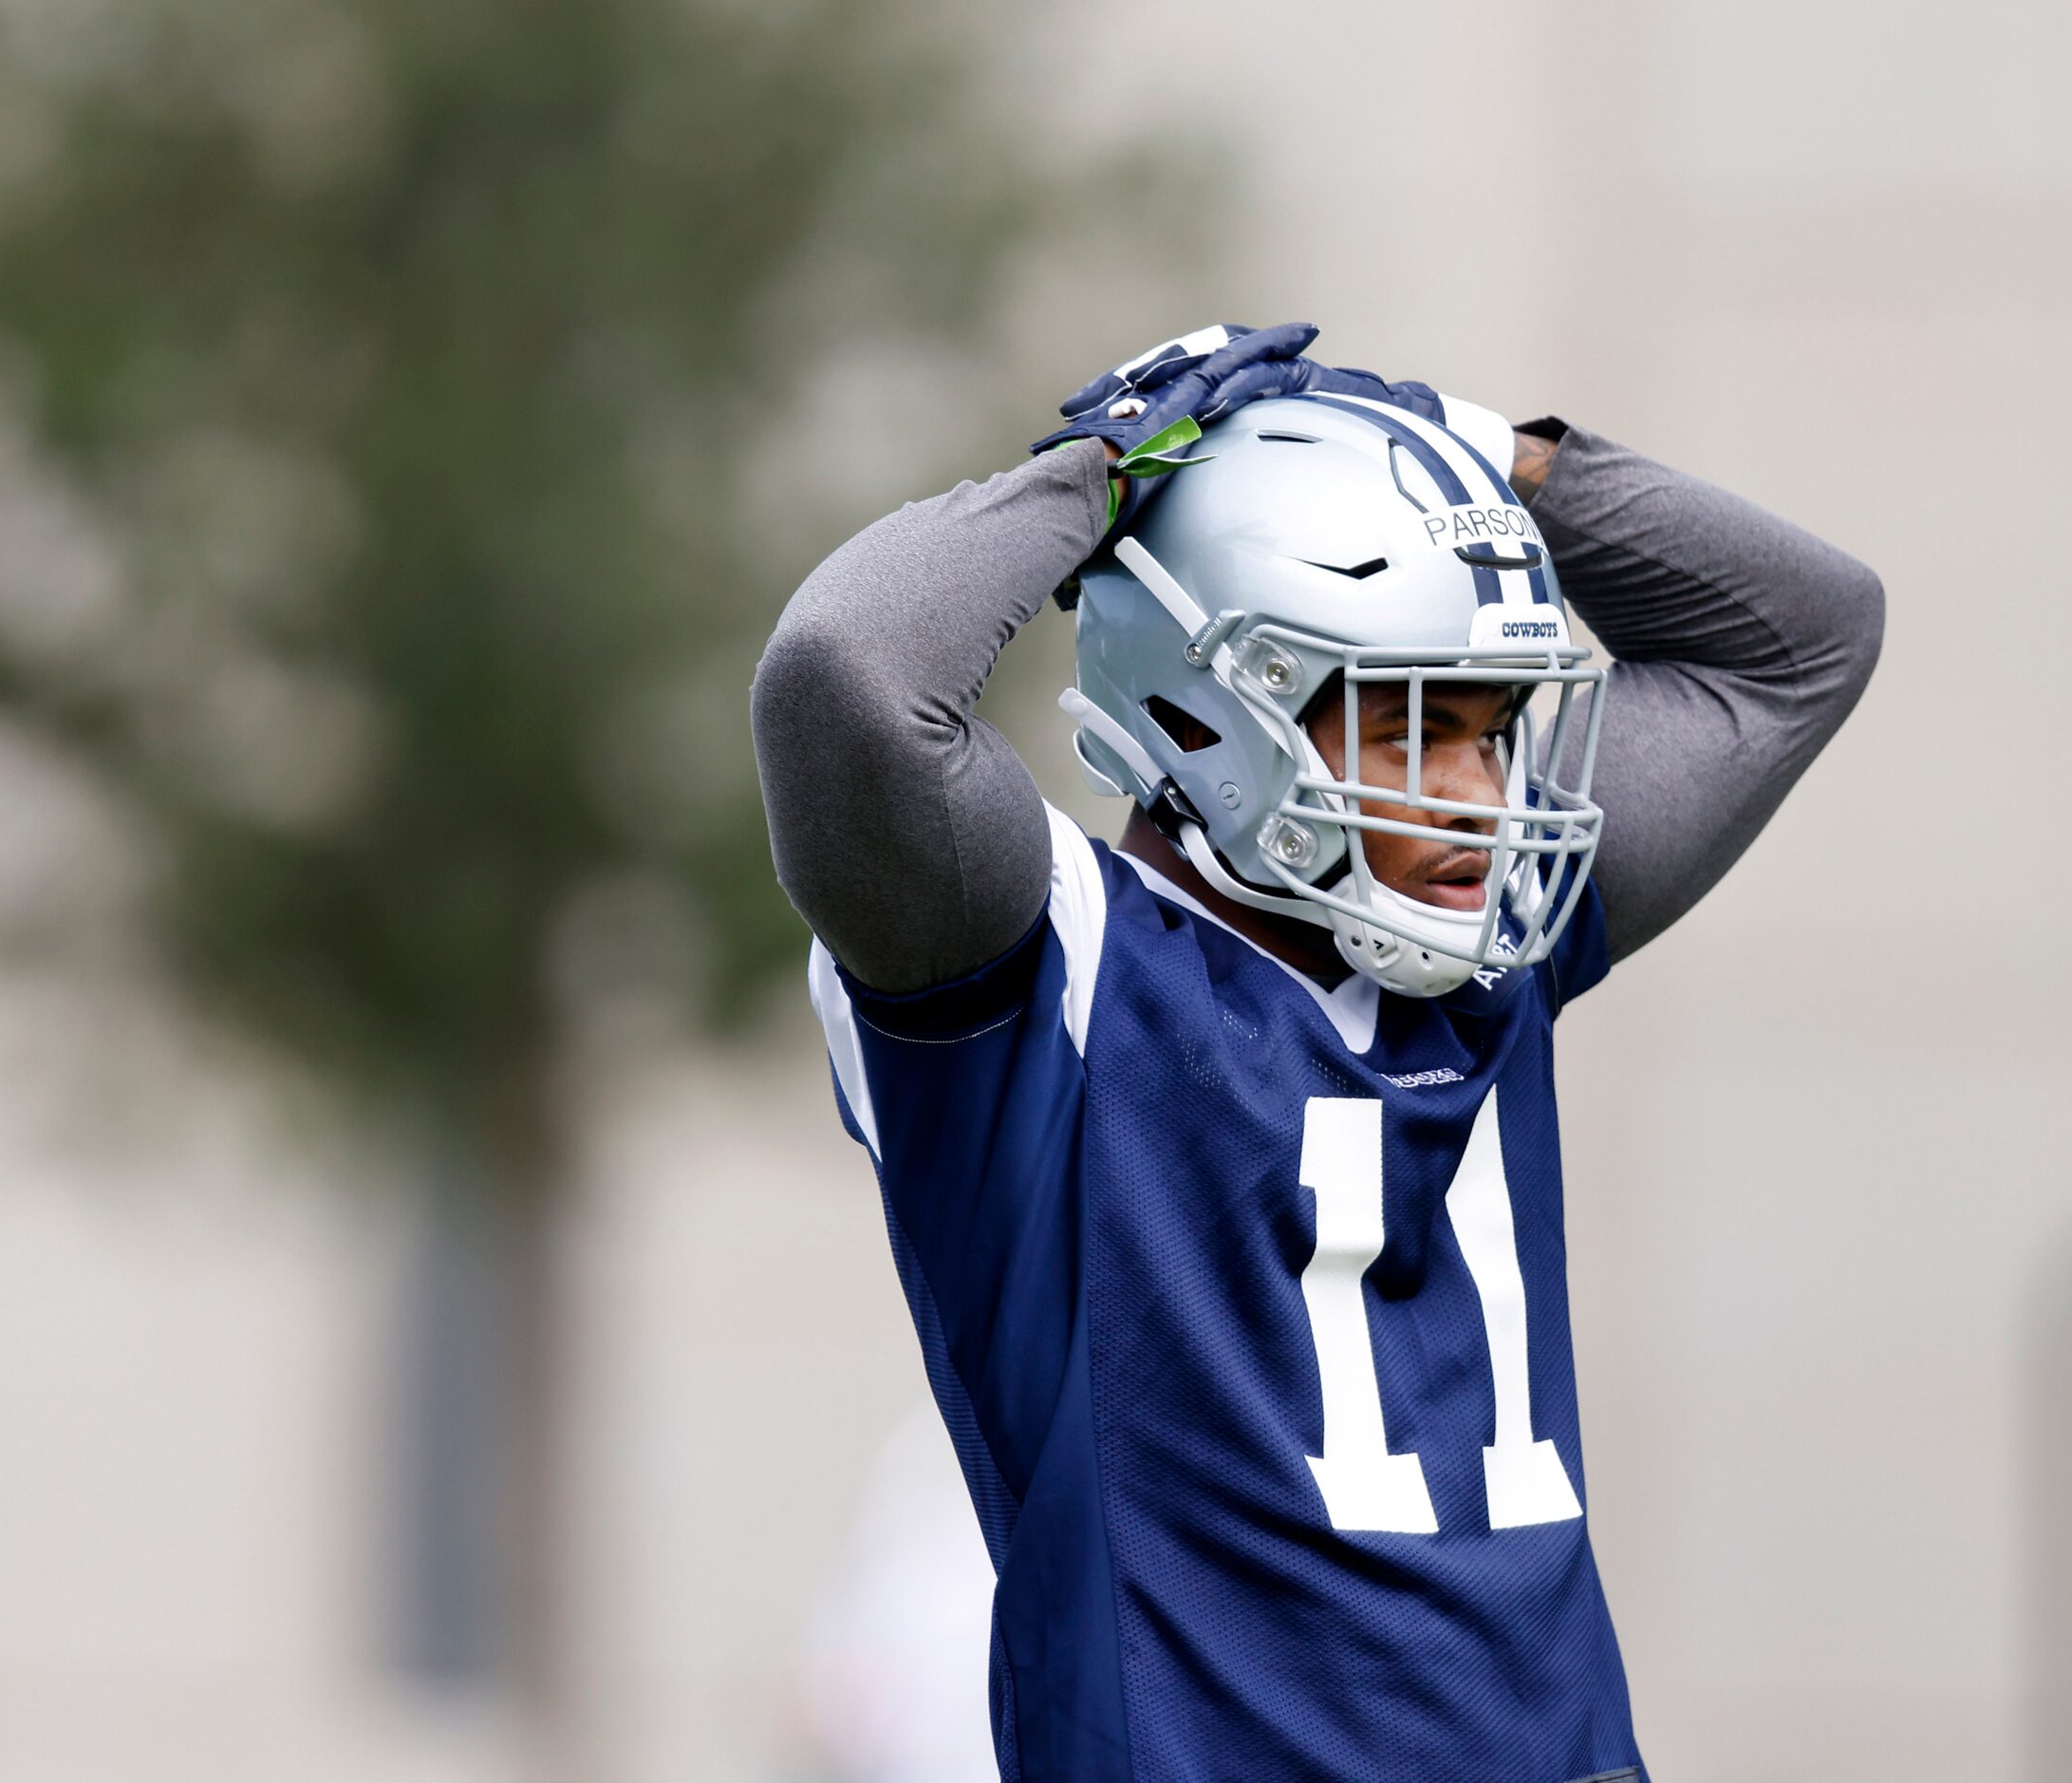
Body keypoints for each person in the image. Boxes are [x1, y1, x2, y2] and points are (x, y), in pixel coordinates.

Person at [749, 323, 1883, 1782]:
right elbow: (846, 677)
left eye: (1493, 730)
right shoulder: (1054, 979)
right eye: (1419, 731)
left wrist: (1486, 455)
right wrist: (1108, 471)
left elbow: (1808, 636)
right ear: (1217, 704)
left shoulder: (1484, 941)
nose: (1482, 798)